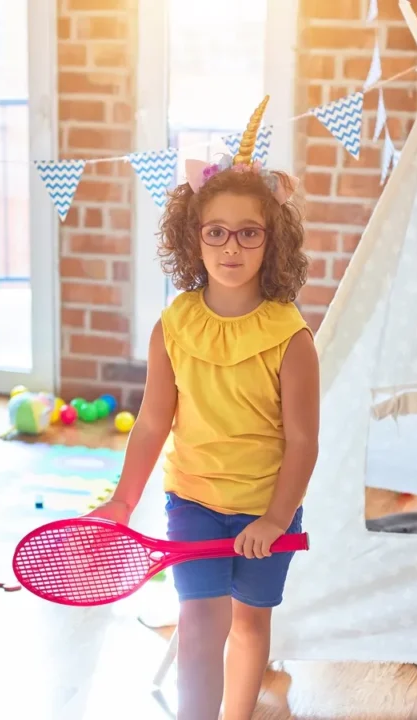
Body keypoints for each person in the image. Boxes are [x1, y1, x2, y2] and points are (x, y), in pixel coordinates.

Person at [91, 96, 319, 720]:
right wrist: (122, 499)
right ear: (194, 239)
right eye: (215, 232)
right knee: (198, 628)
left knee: (249, 628)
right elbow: (153, 422)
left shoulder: (290, 336)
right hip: (192, 499)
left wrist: (273, 519)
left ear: (271, 242)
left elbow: (302, 443)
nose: (231, 247)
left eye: (249, 232)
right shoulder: (174, 325)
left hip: (264, 507)